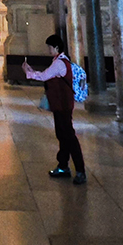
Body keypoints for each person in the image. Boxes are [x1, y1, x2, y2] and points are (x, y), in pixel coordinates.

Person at [23, 33, 86, 185]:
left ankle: (80, 170)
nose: (48, 50)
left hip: (63, 104)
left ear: (56, 47)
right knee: (62, 135)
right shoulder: (58, 61)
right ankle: (63, 166)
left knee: (68, 136)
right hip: (60, 104)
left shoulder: (59, 63)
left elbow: (44, 76)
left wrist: (29, 73)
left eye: (50, 47)